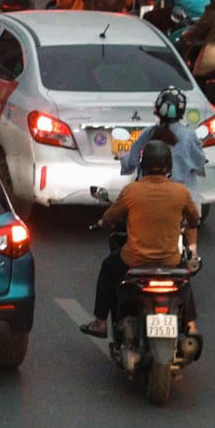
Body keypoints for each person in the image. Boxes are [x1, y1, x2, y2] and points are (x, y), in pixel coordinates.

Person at [80, 140, 199, 337]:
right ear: (169, 166)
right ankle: (192, 326)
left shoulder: (131, 192)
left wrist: (102, 223)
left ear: (143, 165)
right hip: (169, 261)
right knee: (184, 279)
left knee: (108, 268)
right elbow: (194, 219)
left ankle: (100, 322)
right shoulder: (181, 192)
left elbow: (110, 218)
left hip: (134, 260)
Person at [121, 86, 210, 195]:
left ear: (157, 110)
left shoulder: (147, 133)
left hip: (148, 195)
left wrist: (122, 157)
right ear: (181, 111)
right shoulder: (189, 136)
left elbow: (132, 161)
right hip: (181, 197)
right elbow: (199, 162)